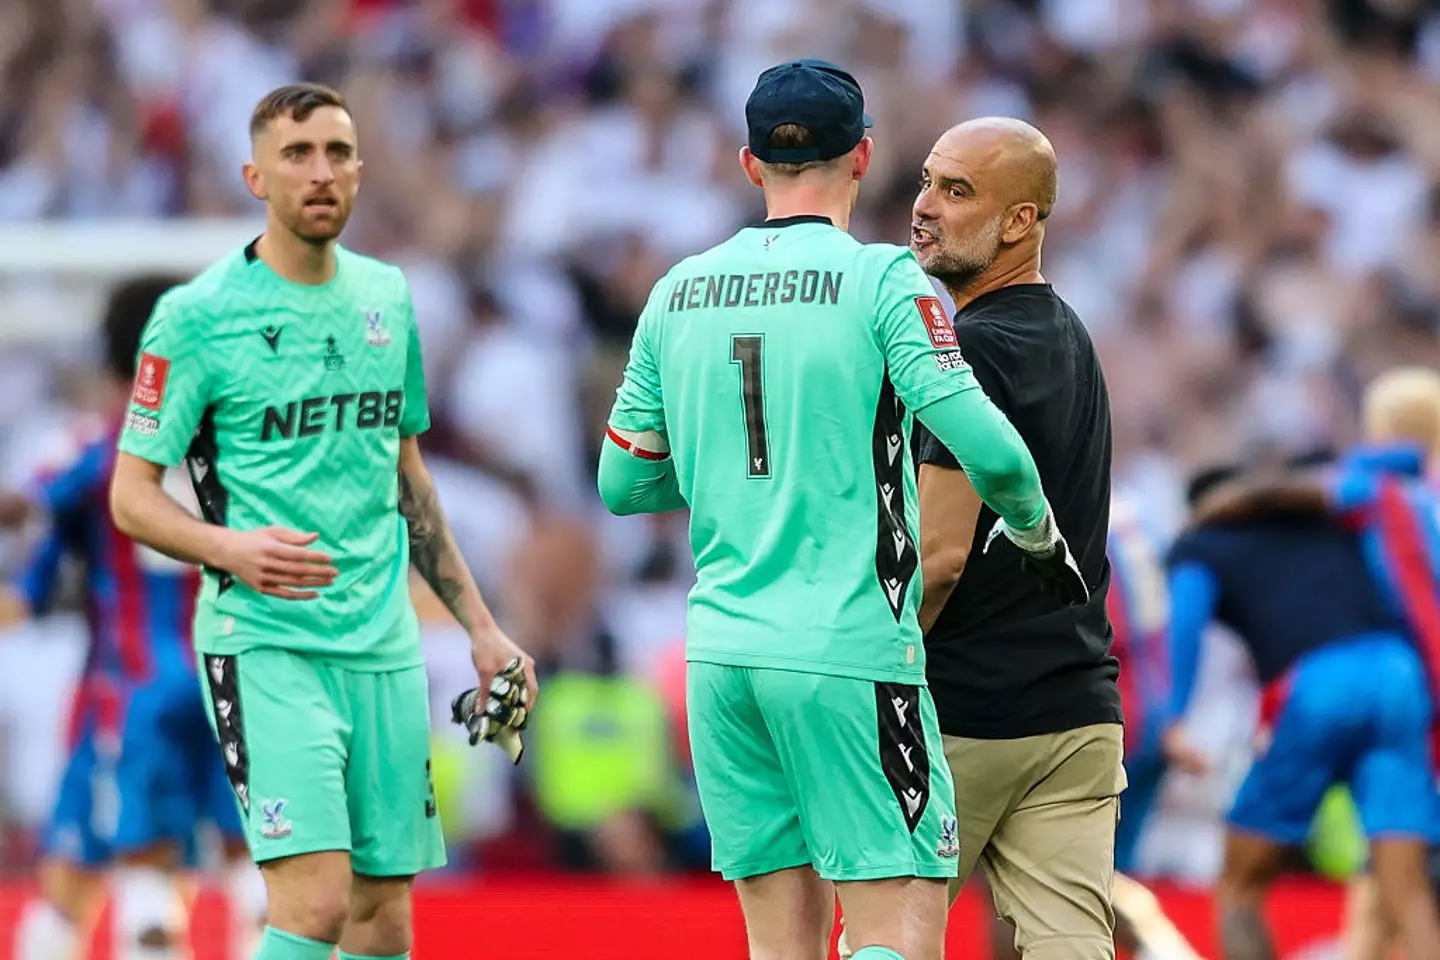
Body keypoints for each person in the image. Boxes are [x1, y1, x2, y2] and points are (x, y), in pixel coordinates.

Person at [598, 60, 1085, 960]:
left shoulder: (677, 291)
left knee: (780, 947)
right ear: (864, 156)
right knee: (900, 926)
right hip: (848, 652)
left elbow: (623, 485)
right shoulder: (883, 283)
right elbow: (993, 452)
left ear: (750, 165)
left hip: (719, 658)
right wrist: (1034, 532)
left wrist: (739, 475)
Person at [108, 83, 536, 960]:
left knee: (385, 918)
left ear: (360, 172)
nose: (321, 172)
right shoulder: (196, 318)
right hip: (265, 642)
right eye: (297, 154)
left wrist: (484, 630)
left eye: (338, 153)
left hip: (380, 643)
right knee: (314, 903)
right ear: (254, 177)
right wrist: (229, 547)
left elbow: (407, 476)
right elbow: (131, 495)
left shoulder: (388, 296)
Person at [853, 117, 1120, 960]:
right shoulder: (1069, 333)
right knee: (1072, 946)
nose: (924, 207)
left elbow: (937, 556)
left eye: (957, 191)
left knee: (891, 939)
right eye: (927, 181)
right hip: (1076, 716)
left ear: (1020, 223)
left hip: (963, 714)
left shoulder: (967, 349)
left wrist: (864, 671)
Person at [4, 275, 266, 960]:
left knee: (117, 881)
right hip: (236, 688)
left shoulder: (97, 449)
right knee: (252, 875)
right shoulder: (241, 451)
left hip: (127, 696)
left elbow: (28, 515)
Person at [1189, 369, 1440, 959]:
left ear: (1379, 431)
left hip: (1397, 684)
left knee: (1250, 885)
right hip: (1408, 694)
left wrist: (1220, 505)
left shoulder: (1375, 490)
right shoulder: (1423, 494)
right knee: (1402, 891)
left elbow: (1290, 493)